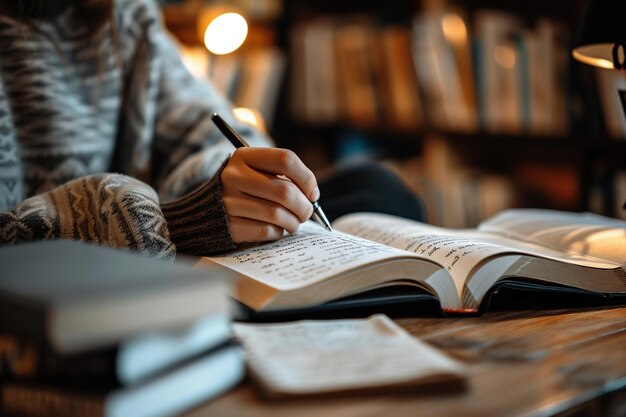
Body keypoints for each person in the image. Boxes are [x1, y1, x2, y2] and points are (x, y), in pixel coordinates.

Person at [0, 0, 424, 260]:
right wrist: (181, 223)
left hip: (154, 248)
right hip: (69, 291)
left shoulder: (120, 13)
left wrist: (234, 176)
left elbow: (201, 128)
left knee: (375, 187)